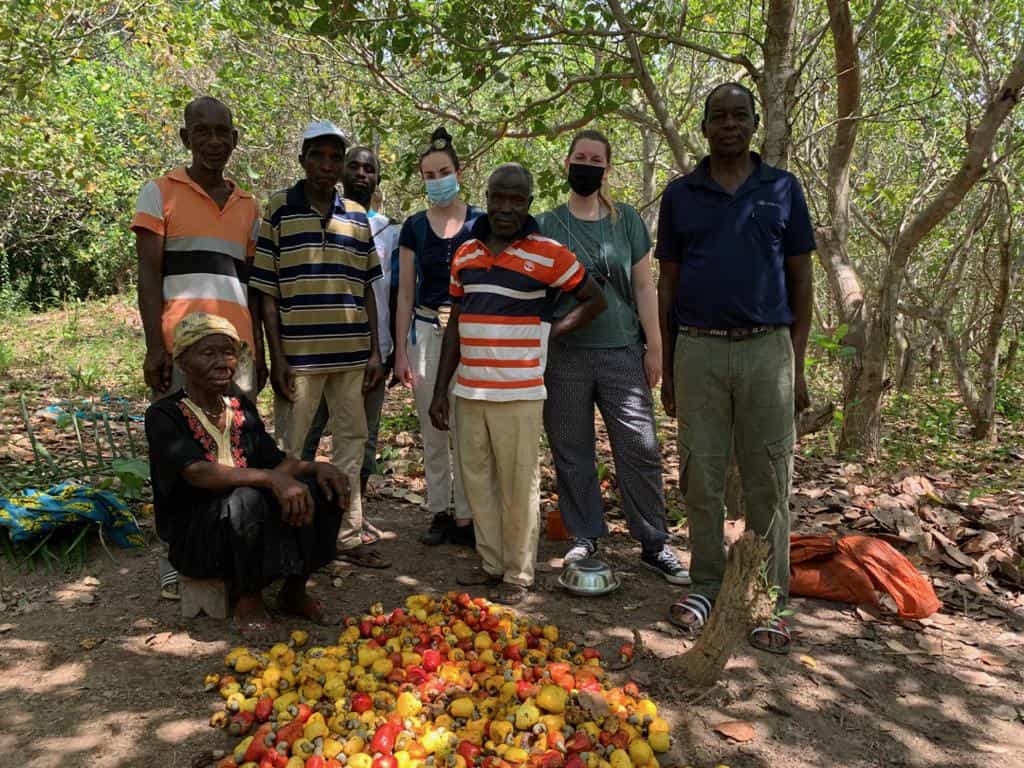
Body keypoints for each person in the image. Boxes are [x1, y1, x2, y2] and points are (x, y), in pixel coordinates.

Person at [656, 83, 815, 654]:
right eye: (718, 116)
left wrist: (795, 366)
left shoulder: (783, 188)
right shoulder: (680, 195)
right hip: (697, 347)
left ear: (754, 124)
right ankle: (705, 583)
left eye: (739, 115)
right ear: (703, 127)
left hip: (767, 348)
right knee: (700, 471)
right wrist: (671, 370)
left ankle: (770, 598)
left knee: (770, 477)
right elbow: (667, 283)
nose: (729, 124)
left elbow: (801, 280)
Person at [429, 163, 607, 605]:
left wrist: (549, 331)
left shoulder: (549, 253)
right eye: (498, 198)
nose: (506, 208)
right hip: (470, 390)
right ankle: (491, 563)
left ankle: (519, 574)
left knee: (519, 484)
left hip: (520, 391)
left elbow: (594, 300)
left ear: (528, 202)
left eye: (516, 199)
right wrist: (440, 390)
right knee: (477, 481)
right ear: (487, 197)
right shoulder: (465, 253)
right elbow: (455, 325)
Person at [536, 129, 689, 584]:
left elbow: (645, 286)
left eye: (595, 158)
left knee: (639, 447)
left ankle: (654, 542)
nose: (587, 164)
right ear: (567, 164)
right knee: (571, 449)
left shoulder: (626, 222)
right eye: (579, 157)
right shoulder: (546, 224)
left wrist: (655, 347)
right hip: (564, 354)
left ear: (607, 168)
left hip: (622, 348)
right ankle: (585, 536)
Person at [131, 95, 262, 599]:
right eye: (201, 132)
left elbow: (250, 285)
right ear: (185, 138)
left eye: (221, 132)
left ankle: (227, 546)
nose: (213, 141)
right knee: (178, 454)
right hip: (182, 349)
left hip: (236, 355)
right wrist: (155, 346)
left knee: (234, 448)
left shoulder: (248, 207)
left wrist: (258, 354)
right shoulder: (159, 193)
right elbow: (149, 272)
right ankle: (175, 553)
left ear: (234, 139)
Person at [144, 313, 348, 636]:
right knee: (247, 498)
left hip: (248, 522)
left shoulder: (239, 406)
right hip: (197, 539)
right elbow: (198, 473)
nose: (223, 363)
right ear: (182, 363)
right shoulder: (164, 415)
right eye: (208, 354)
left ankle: (294, 591)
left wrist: (315, 467)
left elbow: (277, 461)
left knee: (323, 487)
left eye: (228, 353)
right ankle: (247, 597)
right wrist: (270, 479)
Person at [250, 121, 389, 569]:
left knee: (351, 444)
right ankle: (293, 535)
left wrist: (373, 352)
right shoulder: (277, 211)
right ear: (302, 160)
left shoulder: (356, 217)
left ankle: (347, 536)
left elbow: (367, 288)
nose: (327, 166)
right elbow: (267, 292)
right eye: (319, 156)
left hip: (350, 356)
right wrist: (278, 357)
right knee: (291, 448)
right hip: (301, 359)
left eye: (336, 158)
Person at [301, 146, 400, 545]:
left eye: (369, 169)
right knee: (308, 432)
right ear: (342, 172)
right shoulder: (323, 217)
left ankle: (352, 518)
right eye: (354, 167)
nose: (361, 174)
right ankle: (305, 511)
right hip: (318, 349)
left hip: (372, 350)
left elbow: (391, 293)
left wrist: (392, 350)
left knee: (363, 437)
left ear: (378, 179)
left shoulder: (390, 230)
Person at [393, 127, 482, 547]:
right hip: (426, 331)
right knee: (433, 423)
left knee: (467, 425)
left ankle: (468, 514)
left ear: (459, 171)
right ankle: (439, 510)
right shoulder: (413, 227)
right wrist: (400, 354)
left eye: (444, 171)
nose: (438, 179)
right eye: (430, 174)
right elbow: (405, 292)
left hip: (471, 336)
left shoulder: (481, 223)